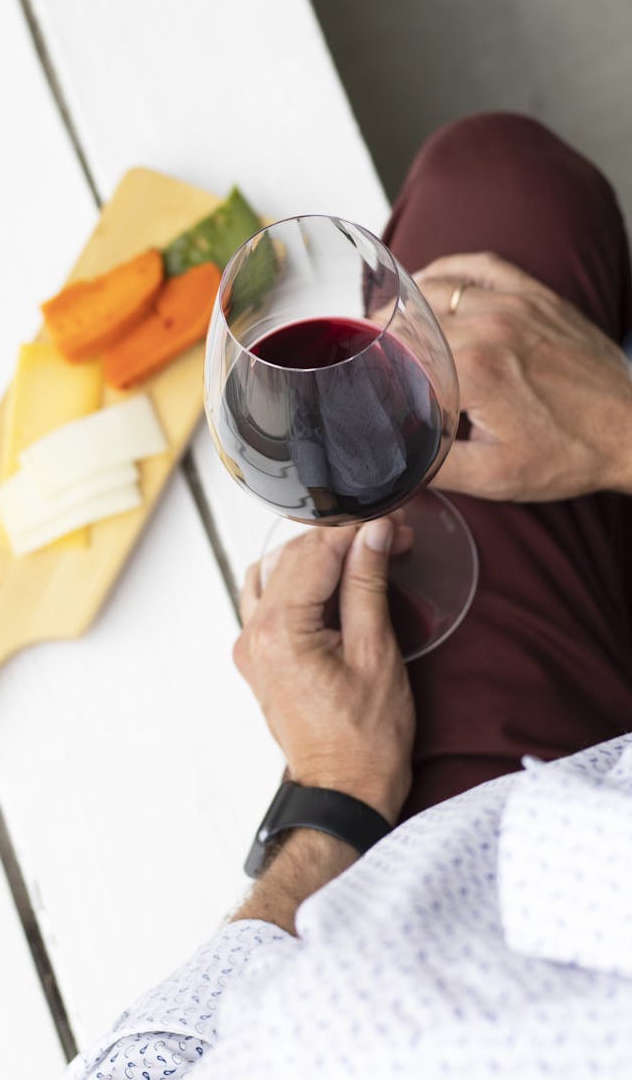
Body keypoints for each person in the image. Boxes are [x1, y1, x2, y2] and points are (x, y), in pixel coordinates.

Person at [67, 114, 632, 1079]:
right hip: (587, 855)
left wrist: (332, 793)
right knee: (505, 193)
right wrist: (616, 427)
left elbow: (161, 1053)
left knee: (494, 179)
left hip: (450, 866)